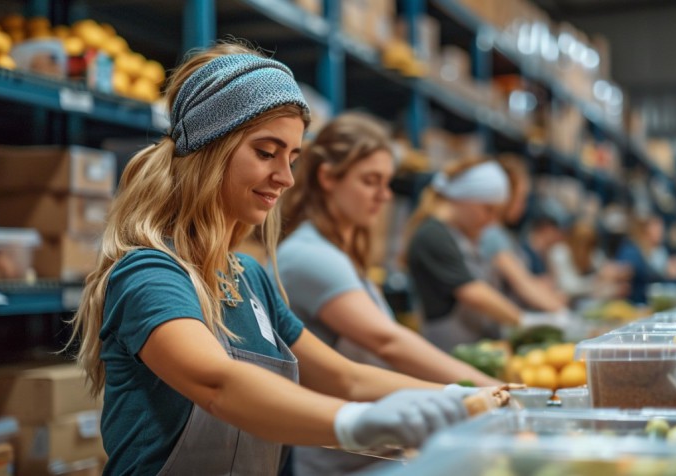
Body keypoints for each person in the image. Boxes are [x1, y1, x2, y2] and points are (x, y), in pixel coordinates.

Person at [66, 42, 472, 476]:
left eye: (292, 157)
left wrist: (459, 398)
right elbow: (217, 385)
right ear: (210, 149)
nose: (286, 177)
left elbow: (345, 378)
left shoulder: (251, 278)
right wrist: (352, 423)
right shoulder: (149, 273)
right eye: (266, 152)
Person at [278, 113, 505, 475]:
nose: (384, 196)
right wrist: (486, 389)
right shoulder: (309, 255)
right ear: (327, 178)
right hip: (337, 461)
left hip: (372, 453)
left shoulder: (342, 253)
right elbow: (387, 342)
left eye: (387, 182)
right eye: (370, 181)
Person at [404, 157, 523, 352]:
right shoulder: (432, 235)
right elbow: (473, 293)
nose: (492, 220)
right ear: (465, 197)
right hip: (449, 355)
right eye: (488, 209)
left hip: (473, 351)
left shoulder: (459, 236)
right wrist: (524, 320)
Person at [479, 156, 568, 312]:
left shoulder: (503, 235)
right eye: (521, 198)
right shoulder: (492, 234)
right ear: (504, 195)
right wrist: (558, 308)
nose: (524, 206)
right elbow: (522, 284)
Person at [547, 219, 631, 302]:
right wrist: (599, 279)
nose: (585, 248)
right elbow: (568, 287)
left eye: (590, 244)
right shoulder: (559, 253)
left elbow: (606, 272)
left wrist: (616, 274)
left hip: (592, 300)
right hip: (568, 304)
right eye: (582, 242)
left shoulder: (593, 253)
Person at [615, 214, 676, 303]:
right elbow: (627, 272)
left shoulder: (661, 251)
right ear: (645, 229)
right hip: (635, 303)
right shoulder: (631, 249)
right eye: (656, 227)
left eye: (662, 227)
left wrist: (673, 276)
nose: (661, 231)